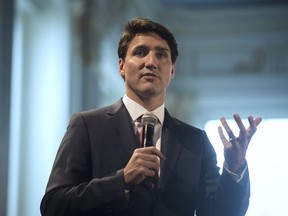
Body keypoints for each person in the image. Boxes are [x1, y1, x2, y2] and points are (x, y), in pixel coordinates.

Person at [40, 17, 262, 216]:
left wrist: (234, 167)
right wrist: (121, 180)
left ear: (172, 71)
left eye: (161, 54)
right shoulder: (87, 126)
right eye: (140, 52)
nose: (151, 62)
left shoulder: (196, 141)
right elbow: (53, 205)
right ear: (121, 66)